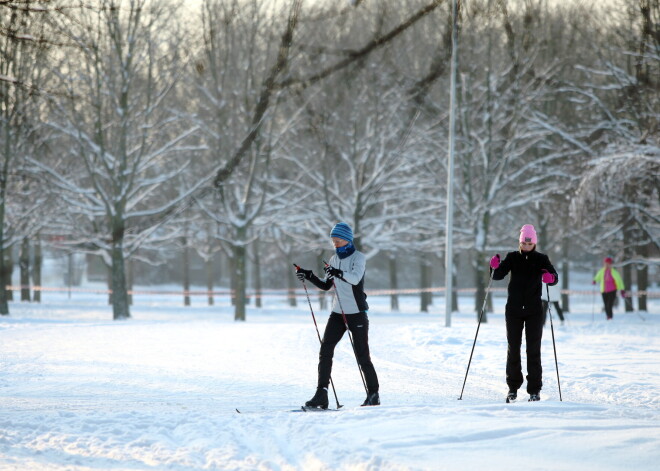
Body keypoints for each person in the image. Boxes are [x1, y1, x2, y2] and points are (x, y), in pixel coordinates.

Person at [295, 222, 380, 409]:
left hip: (356, 313)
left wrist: (338, 272)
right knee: (325, 351)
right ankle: (321, 394)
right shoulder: (334, 259)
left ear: (347, 239)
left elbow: (355, 278)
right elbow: (327, 286)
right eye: (333, 240)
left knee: (362, 356)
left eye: (338, 240)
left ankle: (373, 394)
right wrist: (308, 275)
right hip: (337, 313)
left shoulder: (359, 258)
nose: (335, 243)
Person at [490, 224, 558, 403]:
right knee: (513, 349)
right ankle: (512, 388)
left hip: (534, 311)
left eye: (529, 244)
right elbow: (497, 276)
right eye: (524, 243)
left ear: (534, 243)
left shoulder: (541, 259)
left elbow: (554, 277)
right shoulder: (512, 257)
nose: (526, 246)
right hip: (513, 310)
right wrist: (494, 267)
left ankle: (534, 390)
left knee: (533, 350)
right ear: (520, 243)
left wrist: (550, 278)